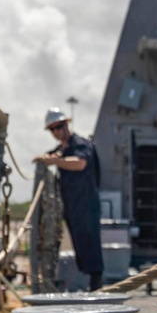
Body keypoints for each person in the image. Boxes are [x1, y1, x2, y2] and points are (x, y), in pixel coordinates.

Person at [34, 108, 104, 291]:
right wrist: (46, 158)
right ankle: (92, 282)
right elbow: (55, 155)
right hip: (72, 205)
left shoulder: (81, 144)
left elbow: (80, 163)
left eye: (58, 127)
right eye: (52, 129)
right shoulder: (62, 149)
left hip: (86, 203)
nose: (56, 132)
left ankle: (96, 283)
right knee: (80, 243)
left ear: (66, 125)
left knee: (90, 242)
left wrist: (55, 161)